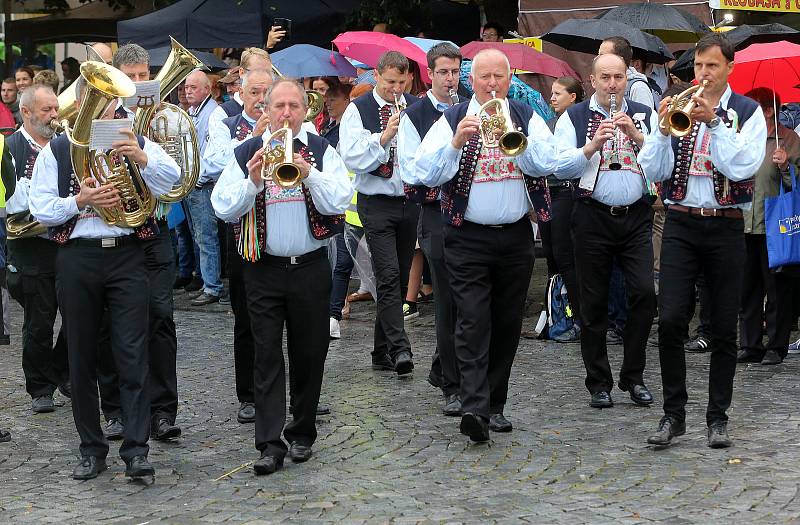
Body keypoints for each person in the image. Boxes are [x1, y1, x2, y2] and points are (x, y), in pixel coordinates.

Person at [29, 73, 180, 480]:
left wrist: (144, 157)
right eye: (99, 104)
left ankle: (136, 449)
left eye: (113, 106)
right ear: (78, 107)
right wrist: (80, 200)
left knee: (132, 353)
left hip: (128, 256)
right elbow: (40, 209)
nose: (109, 112)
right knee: (80, 357)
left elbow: (175, 181)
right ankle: (91, 450)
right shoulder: (58, 149)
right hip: (78, 259)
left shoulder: (133, 142)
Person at [414, 49, 560, 442]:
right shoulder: (452, 118)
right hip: (466, 235)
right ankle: (474, 407)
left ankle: (495, 403)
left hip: (514, 235)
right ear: (471, 81)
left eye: (500, 77)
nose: (493, 84)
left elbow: (550, 164)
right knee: (473, 319)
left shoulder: (526, 116)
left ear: (510, 79)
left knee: (508, 322)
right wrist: (455, 143)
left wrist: (521, 140)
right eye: (485, 78)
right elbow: (422, 172)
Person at [212, 78, 352, 475]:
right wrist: (252, 181)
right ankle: (269, 444)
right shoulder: (247, 152)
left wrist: (309, 174)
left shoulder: (321, 150)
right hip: (262, 269)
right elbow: (221, 206)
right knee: (266, 354)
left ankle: (302, 433)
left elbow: (341, 199)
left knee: (310, 353)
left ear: (304, 110)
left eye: (294, 105)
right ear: (265, 110)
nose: (286, 113)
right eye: (279, 106)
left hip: (309, 267)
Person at [638, 33, 767, 449]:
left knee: (724, 327)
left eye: (712, 66)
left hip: (726, 224)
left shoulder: (746, 113)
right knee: (672, 318)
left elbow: (741, 166)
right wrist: (660, 131)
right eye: (698, 66)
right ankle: (673, 416)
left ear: (729, 68)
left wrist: (713, 122)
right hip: (680, 222)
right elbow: (652, 169)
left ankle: (717, 418)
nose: (703, 75)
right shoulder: (678, 106)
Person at [553, 53, 659, 410]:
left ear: (626, 80)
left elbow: (664, 161)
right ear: (593, 81)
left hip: (636, 217)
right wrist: (591, 146)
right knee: (593, 302)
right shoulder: (575, 116)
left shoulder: (644, 114)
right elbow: (560, 165)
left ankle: (635, 375)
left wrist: (638, 137)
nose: (613, 84)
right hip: (591, 216)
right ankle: (599, 381)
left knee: (644, 293)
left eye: (618, 77)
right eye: (606, 78)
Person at [96, 43, 183, 442]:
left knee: (161, 319)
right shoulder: (100, 118)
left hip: (153, 230)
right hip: (113, 235)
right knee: (109, 324)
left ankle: (163, 411)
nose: (137, 83)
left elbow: (181, 180)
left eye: (143, 76)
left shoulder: (166, 119)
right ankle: (114, 409)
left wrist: (145, 154)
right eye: (128, 77)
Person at [339, 51, 422, 376]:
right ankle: (401, 348)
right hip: (376, 201)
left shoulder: (415, 106)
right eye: (390, 82)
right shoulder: (358, 110)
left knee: (398, 278)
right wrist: (384, 137)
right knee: (387, 274)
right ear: (376, 75)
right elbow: (352, 158)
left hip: (409, 200)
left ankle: (380, 350)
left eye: (402, 82)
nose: (396, 89)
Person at [398, 42, 465, 416]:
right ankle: (452, 384)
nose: (450, 79)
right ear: (429, 74)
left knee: (464, 296)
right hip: (434, 211)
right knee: (446, 295)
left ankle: (445, 365)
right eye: (443, 72)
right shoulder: (416, 114)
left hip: (468, 210)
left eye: (456, 72)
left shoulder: (471, 107)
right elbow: (411, 169)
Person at [205, 68, 273, 423]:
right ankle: (248, 392)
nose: (261, 98)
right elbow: (212, 162)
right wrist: (251, 140)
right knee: (246, 315)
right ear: (241, 94)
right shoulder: (227, 124)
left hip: (276, 226)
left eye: (267, 92)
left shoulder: (288, 126)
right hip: (240, 229)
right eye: (255, 92)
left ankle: (283, 390)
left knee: (285, 317)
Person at [3, 84, 70, 413]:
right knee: (39, 322)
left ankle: (63, 370)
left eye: (56, 109)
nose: (55, 115)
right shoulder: (11, 148)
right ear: (26, 112)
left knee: (80, 315)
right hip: (31, 245)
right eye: (47, 110)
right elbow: (12, 200)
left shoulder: (66, 143)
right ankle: (40, 388)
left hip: (69, 240)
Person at [737, 88, 800, 366]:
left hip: (775, 225)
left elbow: (798, 183)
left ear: (768, 110)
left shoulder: (788, 139)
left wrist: (787, 166)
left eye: (754, 107)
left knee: (778, 289)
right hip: (744, 223)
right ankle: (750, 343)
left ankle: (776, 345)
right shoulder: (744, 138)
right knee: (747, 288)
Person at [542, 76, 584, 335]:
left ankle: (578, 317)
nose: (552, 98)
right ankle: (555, 312)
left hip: (566, 193)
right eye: (552, 93)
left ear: (574, 97)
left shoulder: (579, 122)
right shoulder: (548, 123)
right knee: (550, 255)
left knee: (564, 255)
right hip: (548, 191)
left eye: (558, 93)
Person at [184, 70, 224, 305]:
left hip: (202, 184)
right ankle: (203, 280)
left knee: (206, 237)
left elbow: (215, 155)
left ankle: (212, 286)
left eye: (193, 88)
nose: (188, 91)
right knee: (196, 236)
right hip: (192, 183)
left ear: (207, 90)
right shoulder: (193, 112)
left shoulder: (214, 114)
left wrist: (198, 177)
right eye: (187, 87)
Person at [212, 48, 272, 123]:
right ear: (241, 72)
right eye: (256, 72)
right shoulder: (222, 113)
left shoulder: (278, 107)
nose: (263, 77)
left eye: (268, 72)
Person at [598, 37, 656, 111]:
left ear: (619, 59)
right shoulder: (602, 83)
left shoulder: (638, 88)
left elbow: (645, 120)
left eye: (602, 55)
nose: (597, 59)